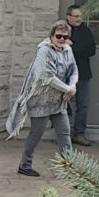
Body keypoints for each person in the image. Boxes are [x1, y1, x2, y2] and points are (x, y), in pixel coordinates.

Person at [6, 20, 79, 177]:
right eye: (58, 36)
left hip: (58, 101)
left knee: (64, 133)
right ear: (51, 35)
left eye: (65, 37)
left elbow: (74, 70)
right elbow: (46, 77)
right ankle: (25, 165)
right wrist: (68, 89)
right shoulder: (44, 51)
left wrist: (72, 86)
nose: (61, 39)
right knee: (36, 133)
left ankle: (69, 169)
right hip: (40, 101)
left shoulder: (68, 50)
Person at [65, 4, 96, 145]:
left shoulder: (86, 31)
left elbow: (91, 50)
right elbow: (58, 47)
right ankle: (64, 134)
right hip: (65, 74)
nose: (79, 19)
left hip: (83, 73)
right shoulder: (63, 30)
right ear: (69, 17)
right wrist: (77, 48)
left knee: (82, 105)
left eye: (80, 16)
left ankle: (79, 133)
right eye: (76, 16)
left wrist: (72, 46)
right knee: (64, 105)